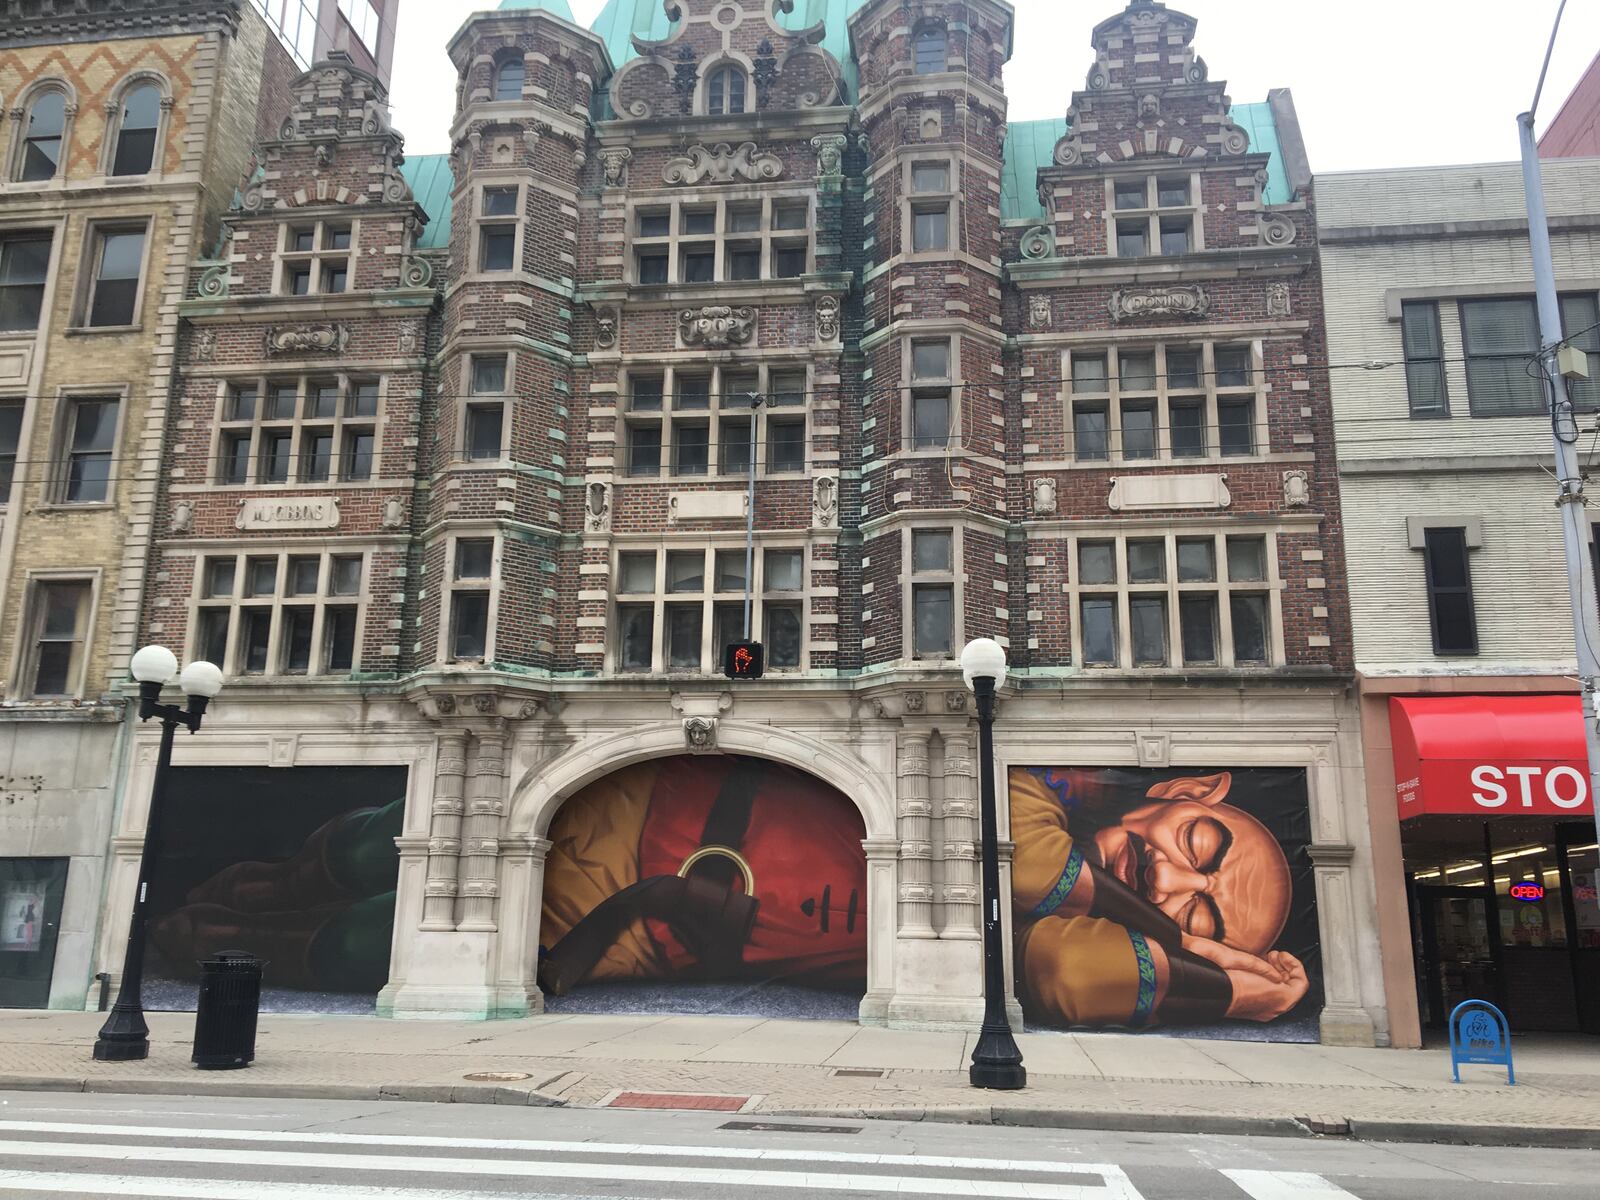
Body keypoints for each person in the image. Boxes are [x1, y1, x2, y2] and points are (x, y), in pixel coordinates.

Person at [1010, 767, 1309, 1029]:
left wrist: (1237, 994)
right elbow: (1028, 866)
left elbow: (1069, 971)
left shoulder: (1081, 938)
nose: (1163, 879)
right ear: (1187, 790)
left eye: (1194, 917)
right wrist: (1182, 939)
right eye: (1196, 842)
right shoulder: (1067, 780)